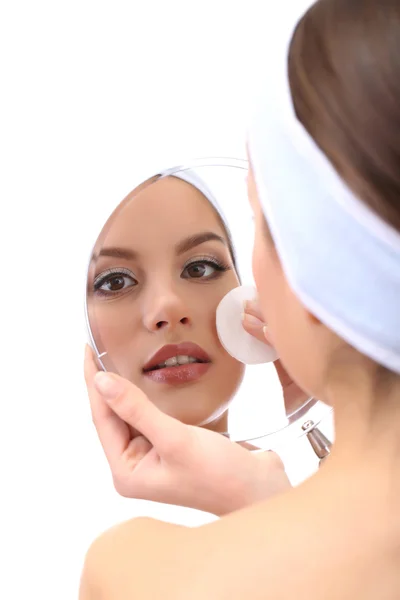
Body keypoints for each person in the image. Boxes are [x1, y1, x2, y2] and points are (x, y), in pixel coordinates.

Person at [81, 0, 400, 597]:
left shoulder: (137, 575)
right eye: (115, 281)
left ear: (315, 263)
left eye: (262, 220)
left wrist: (268, 511)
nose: (168, 311)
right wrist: (270, 499)